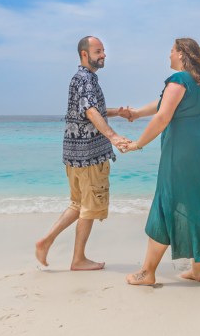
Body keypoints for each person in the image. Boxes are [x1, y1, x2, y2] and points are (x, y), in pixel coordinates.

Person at [120, 37, 200, 285]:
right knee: (194, 205)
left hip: (181, 156)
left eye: (171, 51)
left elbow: (162, 117)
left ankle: (147, 272)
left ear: (181, 54)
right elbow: (162, 105)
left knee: (166, 204)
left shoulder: (178, 80)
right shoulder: (197, 83)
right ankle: (198, 270)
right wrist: (136, 113)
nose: (168, 55)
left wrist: (138, 144)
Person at [35, 36, 132, 271]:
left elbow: (90, 109)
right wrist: (113, 136)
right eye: (98, 51)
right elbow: (89, 111)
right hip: (90, 156)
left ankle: (46, 241)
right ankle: (78, 259)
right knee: (89, 207)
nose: (104, 55)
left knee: (78, 204)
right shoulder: (87, 79)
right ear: (84, 54)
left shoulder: (79, 79)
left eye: (104, 51)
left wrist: (118, 113)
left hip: (73, 155)